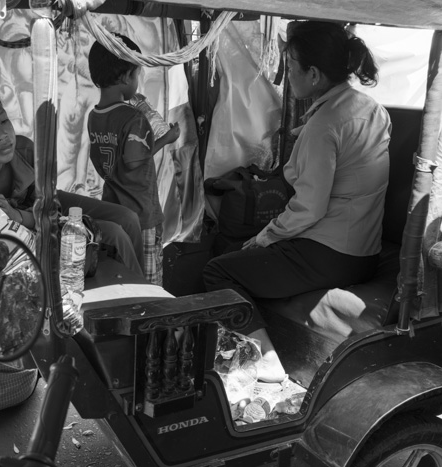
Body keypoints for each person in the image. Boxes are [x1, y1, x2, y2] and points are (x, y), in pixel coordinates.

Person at [203, 21, 391, 382]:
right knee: (249, 249)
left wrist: (265, 238)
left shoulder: (325, 126)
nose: (287, 76)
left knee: (219, 268)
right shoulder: (371, 109)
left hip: (330, 253)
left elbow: (310, 208)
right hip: (365, 253)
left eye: (291, 68)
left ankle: (266, 357)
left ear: (315, 74)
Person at [0, 80, 144, 277]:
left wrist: (16, 215)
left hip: (42, 212)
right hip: (31, 235)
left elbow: (50, 208)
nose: (2, 135)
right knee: (113, 233)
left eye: (3, 121)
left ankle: (150, 297)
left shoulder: (24, 150)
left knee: (128, 218)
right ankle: (135, 307)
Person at [86, 34, 180, 287]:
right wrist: (167, 139)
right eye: (137, 74)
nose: (137, 81)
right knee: (148, 285)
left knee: (122, 277)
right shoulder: (134, 118)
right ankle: (149, 325)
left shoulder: (93, 117)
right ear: (127, 77)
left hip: (114, 213)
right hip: (142, 217)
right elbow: (135, 161)